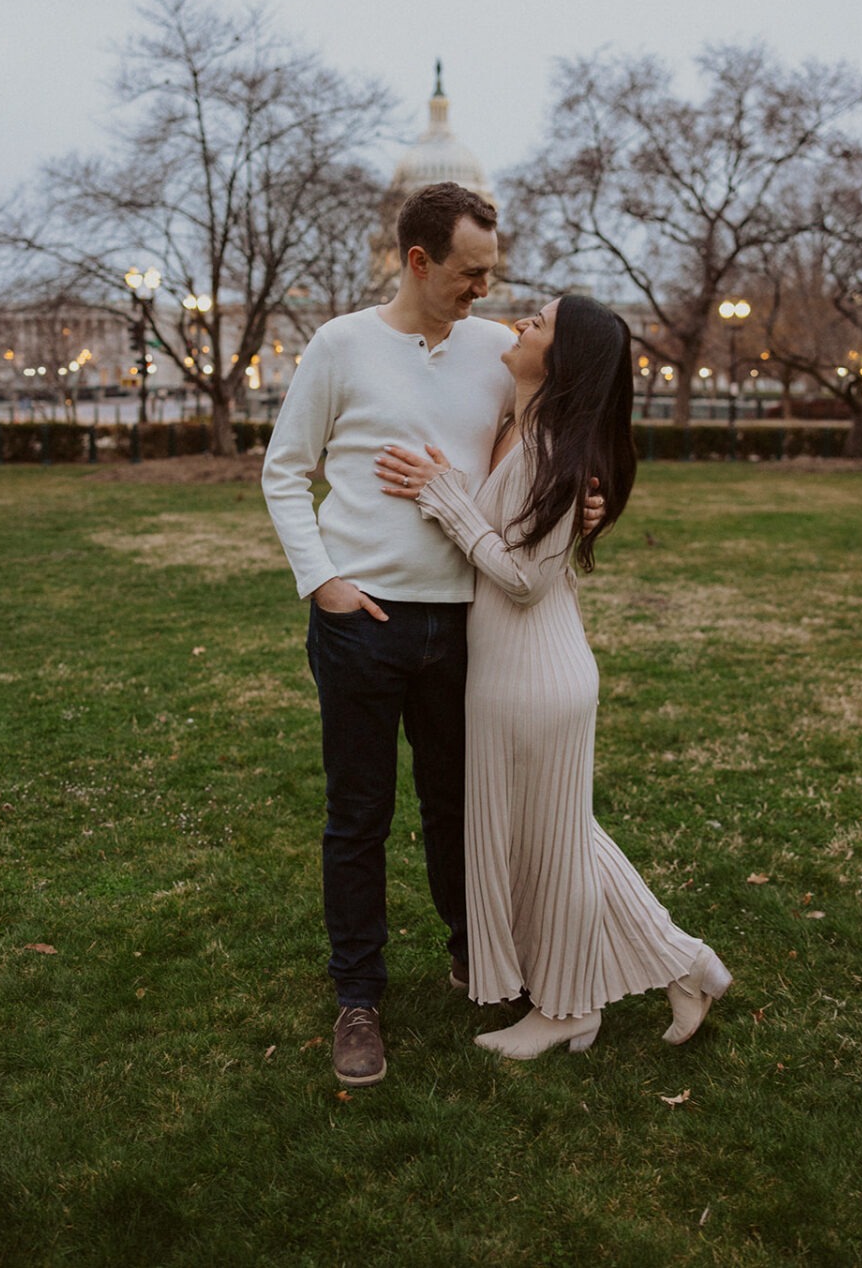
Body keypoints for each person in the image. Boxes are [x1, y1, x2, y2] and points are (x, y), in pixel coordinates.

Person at [261, 183, 604, 1087]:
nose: (486, 290)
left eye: (492, 272)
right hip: (359, 621)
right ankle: (359, 998)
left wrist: (587, 497)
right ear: (418, 261)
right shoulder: (340, 346)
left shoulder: (501, 352)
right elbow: (285, 473)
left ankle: (475, 957)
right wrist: (324, 581)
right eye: (470, 272)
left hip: (465, 628)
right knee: (358, 816)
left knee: (463, 812)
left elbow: (554, 432)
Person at [374, 294, 732, 1059]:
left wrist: (445, 501)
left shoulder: (554, 451)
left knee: (551, 847)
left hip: (536, 676)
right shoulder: (519, 425)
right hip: (510, 669)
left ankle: (569, 1010)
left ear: (561, 359)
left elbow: (525, 580)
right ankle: (686, 962)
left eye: (537, 325)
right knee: (559, 840)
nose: (519, 327)